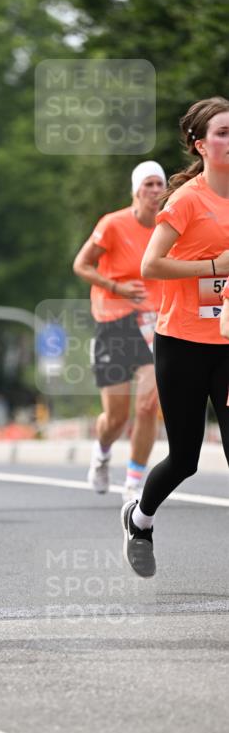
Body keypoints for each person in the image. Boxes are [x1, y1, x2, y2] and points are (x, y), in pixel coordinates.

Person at [122, 97, 229, 577]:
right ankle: (140, 520)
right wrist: (213, 267)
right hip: (182, 341)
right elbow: (151, 266)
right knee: (184, 457)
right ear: (199, 144)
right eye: (222, 133)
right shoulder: (187, 200)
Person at [73, 161, 166, 500]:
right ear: (135, 190)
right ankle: (101, 455)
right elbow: (81, 265)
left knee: (147, 406)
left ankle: (134, 481)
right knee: (116, 416)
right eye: (149, 185)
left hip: (154, 323)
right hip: (114, 322)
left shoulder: (167, 227)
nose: (155, 191)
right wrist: (116, 286)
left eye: (160, 184)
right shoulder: (113, 224)